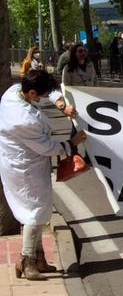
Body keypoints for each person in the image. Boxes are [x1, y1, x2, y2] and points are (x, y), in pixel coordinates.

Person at [0, 71, 84, 280]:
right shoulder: (24, 120)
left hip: (20, 163)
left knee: (36, 209)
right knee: (34, 212)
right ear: (31, 92)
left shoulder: (12, 93)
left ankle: (39, 259)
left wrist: (61, 103)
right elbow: (46, 147)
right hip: (26, 168)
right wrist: (71, 145)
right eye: (41, 95)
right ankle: (26, 260)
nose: (43, 99)